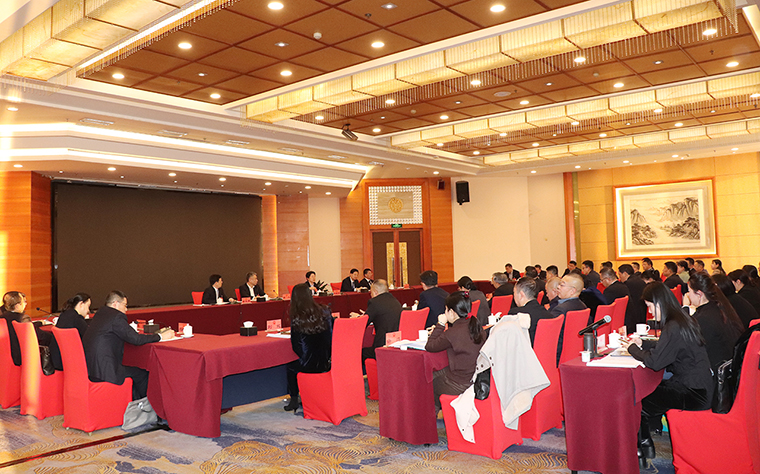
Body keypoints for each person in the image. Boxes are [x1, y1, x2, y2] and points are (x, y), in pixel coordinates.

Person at [624, 282, 713, 463]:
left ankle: (642, 446)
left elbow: (655, 362)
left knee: (637, 397)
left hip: (693, 393)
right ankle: (646, 444)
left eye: (650, 306)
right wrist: (644, 344)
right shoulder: (681, 319)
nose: (650, 312)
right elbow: (669, 346)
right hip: (700, 386)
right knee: (647, 390)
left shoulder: (673, 326)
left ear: (658, 303)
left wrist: (633, 348)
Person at [83, 291, 174, 400]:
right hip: (107, 371)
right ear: (115, 304)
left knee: (134, 372)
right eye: (125, 305)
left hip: (92, 369)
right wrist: (160, 336)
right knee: (142, 374)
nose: (126, 309)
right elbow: (136, 339)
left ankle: (135, 404)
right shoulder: (116, 316)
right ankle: (147, 405)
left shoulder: (101, 314)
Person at [425, 291, 486, 410]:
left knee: (428, 383)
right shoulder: (476, 326)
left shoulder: (452, 332)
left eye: (446, 309)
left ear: (452, 312)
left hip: (460, 382)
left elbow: (430, 346)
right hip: (475, 377)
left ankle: (437, 415)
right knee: (435, 374)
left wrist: (440, 324)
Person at [284, 283, 333, 412]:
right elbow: (331, 335)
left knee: (290, 367)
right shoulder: (325, 310)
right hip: (326, 361)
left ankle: (294, 399)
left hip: (308, 364)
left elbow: (296, 346)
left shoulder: (297, 316)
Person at [686, 272, 743, 372]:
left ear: (699, 294)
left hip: (713, 372)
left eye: (689, 291)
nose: (688, 295)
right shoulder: (720, 308)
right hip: (729, 368)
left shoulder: (703, 318)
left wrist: (685, 307)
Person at [351, 280, 401, 361]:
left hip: (381, 346)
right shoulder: (395, 301)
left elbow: (363, 323)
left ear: (375, 292)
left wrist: (358, 317)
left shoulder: (374, 302)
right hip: (396, 343)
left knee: (357, 353)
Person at [2, 291, 53, 366]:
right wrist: (53, 337)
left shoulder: (2, 318)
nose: (25, 304)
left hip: (5, 356)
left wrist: (38, 323)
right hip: (22, 357)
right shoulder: (22, 318)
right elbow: (38, 335)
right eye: (23, 302)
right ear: (17, 306)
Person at [551, 273, 588, 365]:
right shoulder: (583, 306)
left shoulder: (560, 310)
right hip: (575, 353)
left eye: (562, 285)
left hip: (558, 356)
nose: (558, 287)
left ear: (572, 291)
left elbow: (551, 337)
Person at [50, 292, 91, 371]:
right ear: (81, 304)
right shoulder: (77, 319)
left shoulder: (64, 314)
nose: (88, 310)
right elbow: (89, 337)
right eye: (88, 306)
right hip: (68, 363)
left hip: (57, 359)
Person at [508, 277, 553, 345]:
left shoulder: (516, 314)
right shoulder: (547, 313)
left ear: (521, 295)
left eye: (514, 292)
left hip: (525, 350)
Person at [619, 264, 647, 332]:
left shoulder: (628, 284)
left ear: (625, 273)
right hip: (642, 310)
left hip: (634, 314)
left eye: (620, 275)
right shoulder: (640, 280)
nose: (619, 277)